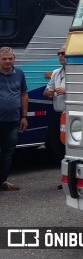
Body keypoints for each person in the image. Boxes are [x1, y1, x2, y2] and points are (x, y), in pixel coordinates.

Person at [0, 46, 29, 191]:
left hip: (13, 121)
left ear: (14, 59)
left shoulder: (19, 73)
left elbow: (23, 94)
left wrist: (24, 116)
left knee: (7, 154)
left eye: (10, 59)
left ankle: (3, 182)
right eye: (4, 59)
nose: (7, 61)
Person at [44, 45, 66, 164]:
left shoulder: (78, 72)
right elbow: (46, 92)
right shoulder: (56, 72)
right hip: (57, 114)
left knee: (68, 146)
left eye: (63, 53)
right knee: (55, 144)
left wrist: (66, 91)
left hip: (69, 115)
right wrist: (48, 93)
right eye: (59, 54)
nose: (60, 56)